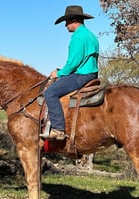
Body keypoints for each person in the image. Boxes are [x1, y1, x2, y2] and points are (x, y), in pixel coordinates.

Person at [40, 5, 99, 140]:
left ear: (73, 21)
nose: (66, 25)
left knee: (50, 92)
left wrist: (59, 73)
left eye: (67, 22)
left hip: (81, 75)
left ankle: (58, 129)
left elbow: (73, 62)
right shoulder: (90, 35)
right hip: (92, 74)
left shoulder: (78, 37)